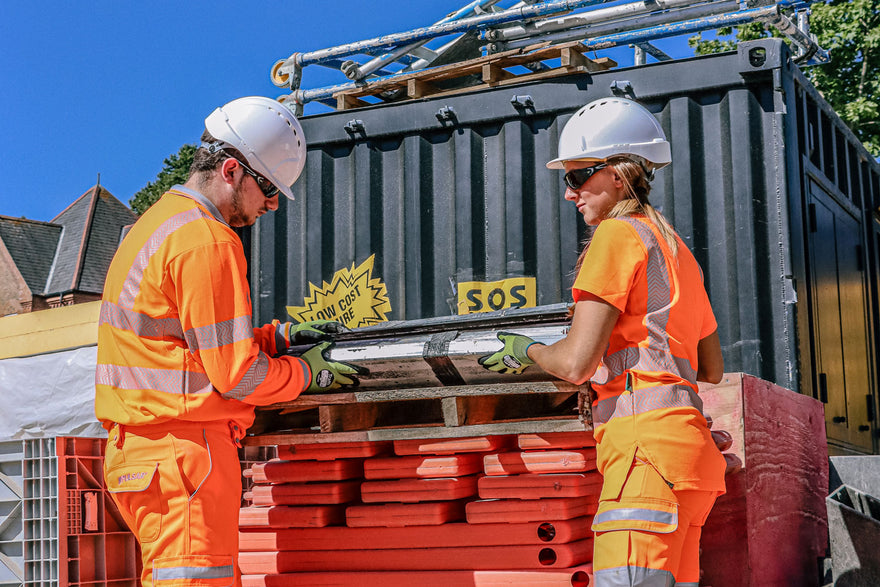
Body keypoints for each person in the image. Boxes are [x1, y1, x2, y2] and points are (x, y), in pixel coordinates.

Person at [95, 96, 364, 587]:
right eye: (268, 189)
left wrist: (275, 337)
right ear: (231, 169)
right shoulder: (208, 240)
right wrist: (309, 372)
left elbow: (178, 344)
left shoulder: (153, 225)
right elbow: (238, 376)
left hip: (145, 454)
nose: (273, 204)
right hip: (183, 457)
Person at [479, 97, 726, 586]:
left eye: (576, 177)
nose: (569, 193)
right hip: (691, 460)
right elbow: (710, 368)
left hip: (644, 458)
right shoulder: (675, 247)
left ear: (617, 173)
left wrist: (525, 349)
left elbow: (573, 362)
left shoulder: (616, 235)